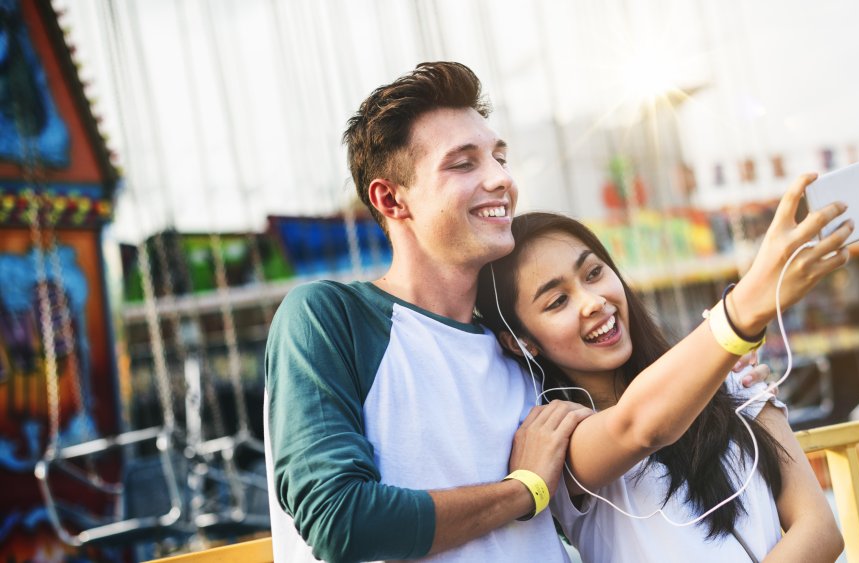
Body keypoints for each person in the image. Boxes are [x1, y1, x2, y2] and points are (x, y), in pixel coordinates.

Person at [263, 61, 788, 562]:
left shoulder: (520, 347)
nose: (500, 179)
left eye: (500, 158)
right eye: (464, 163)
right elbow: (339, 519)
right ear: (391, 200)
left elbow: (631, 422)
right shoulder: (331, 318)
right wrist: (523, 491)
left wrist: (723, 372)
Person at [475, 208, 849, 562]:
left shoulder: (736, 378)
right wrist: (741, 314)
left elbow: (821, 530)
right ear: (521, 341)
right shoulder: (561, 442)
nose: (592, 302)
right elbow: (642, 426)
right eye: (558, 301)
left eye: (593, 273)